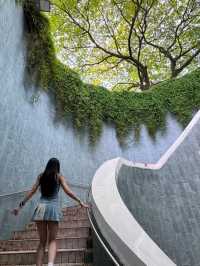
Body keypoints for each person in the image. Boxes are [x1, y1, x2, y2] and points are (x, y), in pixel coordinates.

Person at [12, 158, 89, 266]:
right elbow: (68, 191)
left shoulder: (41, 176)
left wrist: (19, 207)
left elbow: (32, 192)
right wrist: (80, 201)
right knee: (52, 241)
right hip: (52, 208)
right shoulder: (58, 176)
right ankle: (50, 264)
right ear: (57, 167)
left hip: (40, 209)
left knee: (42, 242)